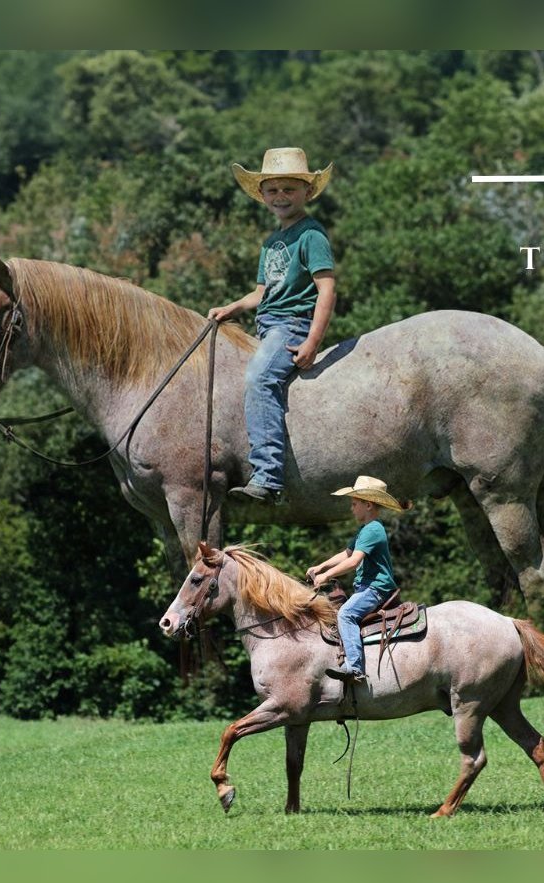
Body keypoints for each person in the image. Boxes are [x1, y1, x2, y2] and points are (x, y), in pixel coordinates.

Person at [209, 147, 337, 504]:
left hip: (292, 325)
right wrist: (232, 307)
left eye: (289, 189)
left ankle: (268, 478)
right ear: (262, 195)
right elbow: (262, 293)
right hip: (266, 324)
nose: (281, 197)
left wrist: (312, 340)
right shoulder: (271, 242)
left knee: (259, 378)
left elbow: (327, 290)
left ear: (307, 192)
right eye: (273, 190)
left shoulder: (311, 235)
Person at [307, 476, 412, 682]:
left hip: (376, 588)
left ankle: (354, 669)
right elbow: (346, 553)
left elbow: (353, 561)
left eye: (354, 504)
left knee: (345, 614)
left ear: (368, 504)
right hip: (367, 587)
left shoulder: (373, 529)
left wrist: (326, 575)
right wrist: (321, 566)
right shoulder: (365, 530)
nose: (351, 509)